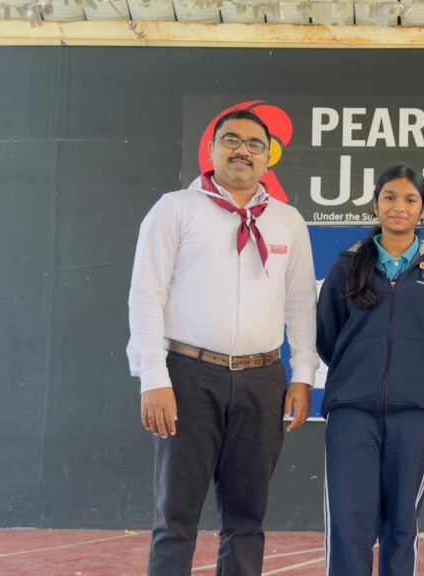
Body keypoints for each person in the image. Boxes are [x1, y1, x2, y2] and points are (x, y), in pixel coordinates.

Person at [126, 109, 318, 576]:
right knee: (176, 516)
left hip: (263, 381)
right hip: (189, 377)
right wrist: (153, 376)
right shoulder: (175, 209)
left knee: (247, 518)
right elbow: (146, 293)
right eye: (231, 140)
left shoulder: (288, 221)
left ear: (267, 158)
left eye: (255, 144)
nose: (242, 151)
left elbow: (300, 303)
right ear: (212, 149)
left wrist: (303, 375)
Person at [316, 164, 424, 576]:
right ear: (375, 204)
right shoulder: (347, 266)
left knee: (402, 526)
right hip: (352, 414)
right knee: (350, 525)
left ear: (423, 209)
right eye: (390, 198)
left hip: (415, 418)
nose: (399, 207)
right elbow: (330, 338)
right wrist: (356, 375)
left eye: (409, 199)